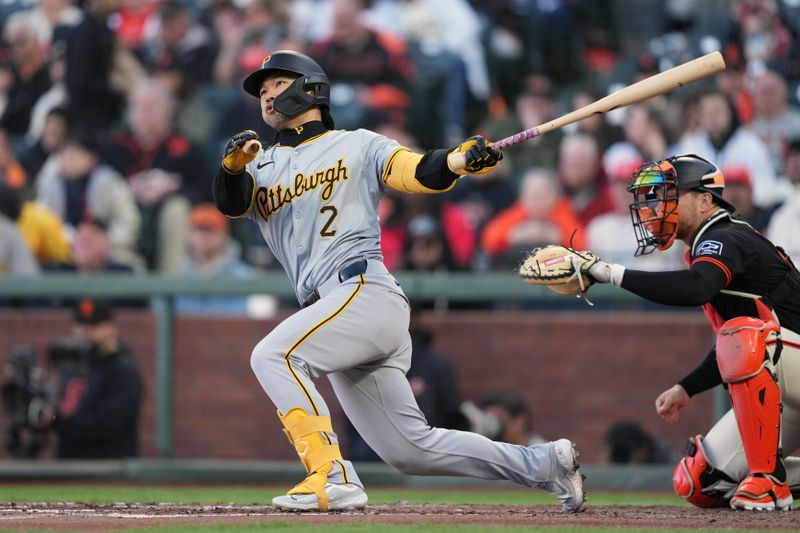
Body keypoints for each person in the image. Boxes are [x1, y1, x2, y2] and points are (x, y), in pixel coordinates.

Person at [213, 50, 584, 513]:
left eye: (276, 83)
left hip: (362, 291)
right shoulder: (260, 166)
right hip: (334, 309)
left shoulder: (358, 143)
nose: (266, 94)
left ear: (310, 87)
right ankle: (545, 462)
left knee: (273, 355)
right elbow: (232, 205)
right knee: (410, 449)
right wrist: (230, 168)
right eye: (261, 89)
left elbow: (415, 171)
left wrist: (456, 161)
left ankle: (331, 474)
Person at [583, 153, 800, 511]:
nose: (655, 206)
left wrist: (611, 273)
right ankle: (768, 476)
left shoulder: (725, 236)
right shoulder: (709, 242)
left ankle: (768, 480)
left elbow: (701, 291)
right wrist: (687, 387)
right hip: (786, 376)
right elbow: (742, 347)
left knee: (743, 335)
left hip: (788, 366)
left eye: (668, 194)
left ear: (704, 200)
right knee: (701, 482)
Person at [44, 299, 143, 459]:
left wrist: (57, 421)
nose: (85, 332)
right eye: (80, 326)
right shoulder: (74, 365)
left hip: (106, 469)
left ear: (110, 328)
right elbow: (60, 414)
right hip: (69, 466)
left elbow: (108, 426)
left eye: (93, 326)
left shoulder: (123, 370)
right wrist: (49, 417)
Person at [480, 390, 547, 447]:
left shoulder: (542, 454)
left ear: (520, 420)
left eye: (499, 419)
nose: (492, 426)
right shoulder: (486, 451)